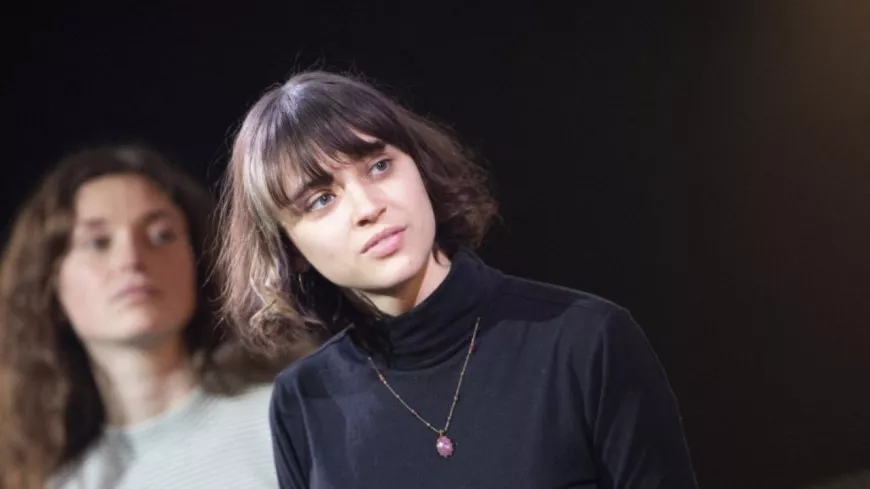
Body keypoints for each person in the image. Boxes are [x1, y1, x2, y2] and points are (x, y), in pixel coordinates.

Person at [216, 70, 699, 488]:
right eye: (321, 199)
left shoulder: (586, 341)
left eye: (379, 166)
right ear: (289, 250)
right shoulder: (304, 401)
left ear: (420, 169)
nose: (368, 207)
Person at [0, 144, 288, 489]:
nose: (132, 259)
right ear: (50, 287)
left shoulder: (283, 418)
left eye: (160, 235)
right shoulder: (66, 483)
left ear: (199, 263)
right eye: (99, 242)